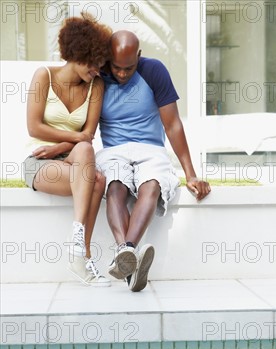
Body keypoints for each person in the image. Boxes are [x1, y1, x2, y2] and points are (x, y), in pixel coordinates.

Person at [96, 30, 211, 292]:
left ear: (139, 56)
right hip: (113, 150)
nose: (122, 74)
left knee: (152, 183)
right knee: (115, 185)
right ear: (107, 59)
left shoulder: (154, 71)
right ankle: (129, 260)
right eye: (116, 67)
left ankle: (126, 252)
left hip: (151, 149)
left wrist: (191, 174)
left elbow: (172, 125)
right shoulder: (98, 75)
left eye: (129, 67)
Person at [23, 14, 112, 286]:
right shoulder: (44, 76)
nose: (97, 70)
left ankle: (76, 244)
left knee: (85, 151)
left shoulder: (96, 86)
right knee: (96, 181)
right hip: (39, 161)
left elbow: (88, 136)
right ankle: (82, 256)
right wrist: (70, 139)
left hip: (71, 156)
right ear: (77, 53)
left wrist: (61, 146)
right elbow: (34, 128)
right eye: (94, 63)